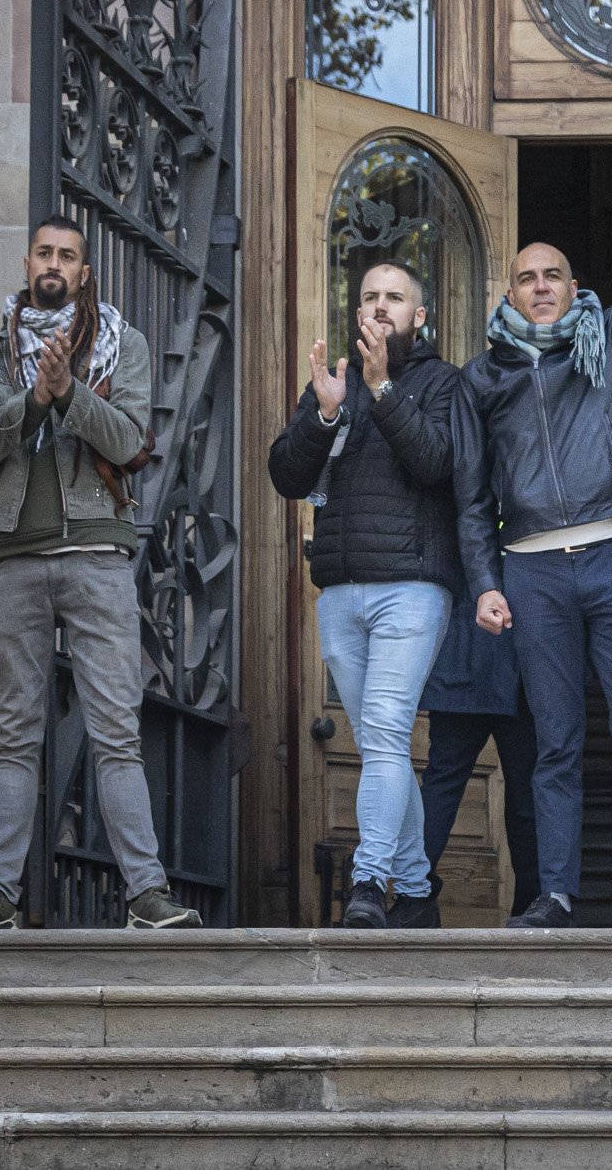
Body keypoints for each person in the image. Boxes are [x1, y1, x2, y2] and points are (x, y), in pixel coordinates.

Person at [452, 100, 612, 931]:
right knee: (555, 743)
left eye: (553, 274)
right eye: (526, 278)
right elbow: (472, 494)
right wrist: (485, 580)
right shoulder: (484, 379)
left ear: (573, 284)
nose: (542, 287)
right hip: (530, 568)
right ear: (512, 294)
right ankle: (554, 892)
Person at [0, 216, 201, 930]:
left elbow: (128, 440)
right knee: (15, 736)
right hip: (13, 559)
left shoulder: (126, 345)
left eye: (68, 255)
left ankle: (147, 894)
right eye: (44, 252)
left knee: (116, 730)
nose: (54, 263)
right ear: (27, 262)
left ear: (86, 272)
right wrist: (30, 398)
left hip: (96, 557)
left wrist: (68, 394)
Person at [268, 259, 460, 929]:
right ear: (357, 315)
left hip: (411, 586)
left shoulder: (442, 382)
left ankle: (370, 879)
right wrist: (322, 412)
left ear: (420, 315)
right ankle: (415, 889)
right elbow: (287, 475)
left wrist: (382, 391)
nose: (381, 308)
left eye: (396, 298)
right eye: (370, 298)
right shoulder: (331, 385)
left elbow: (437, 461)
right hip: (340, 590)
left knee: (382, 730)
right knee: (381, 743)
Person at [415, 581, 541, 923]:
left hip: (459, 654)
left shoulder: (461, 530)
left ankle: (414, 896)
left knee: (441, 784)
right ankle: (533, 906)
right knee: (528, 794)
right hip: (522, 661)